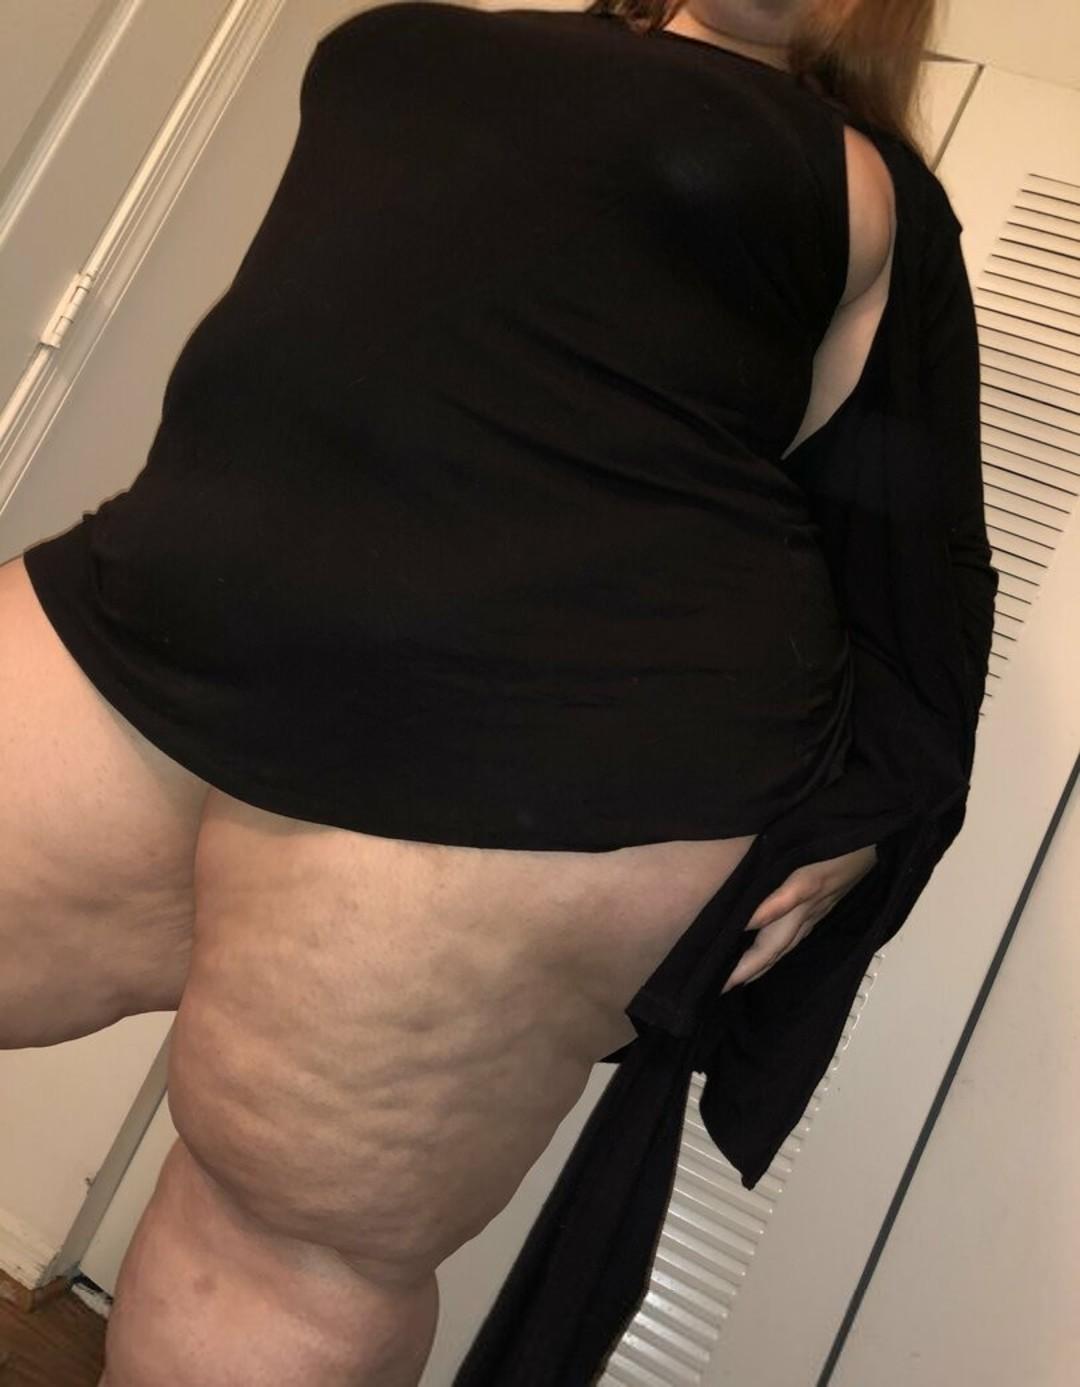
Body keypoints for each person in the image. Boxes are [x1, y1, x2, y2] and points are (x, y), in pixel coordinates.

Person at [0, 1, 990, 1384]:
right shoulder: (470, 36)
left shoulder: (868, 185)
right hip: (164, 609)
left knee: (283, 1249)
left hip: (546, 738)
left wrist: (871, 809)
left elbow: (909, 538)